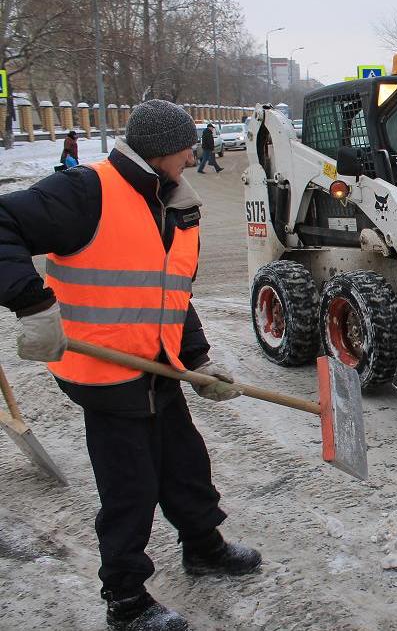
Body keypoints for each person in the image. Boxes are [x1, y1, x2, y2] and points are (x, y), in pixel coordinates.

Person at [0, 99, 261, 630]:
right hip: (106, 372)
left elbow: (171, 295)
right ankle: (126, 598)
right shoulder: (87, 190)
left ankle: (203, 547)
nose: (194, 156)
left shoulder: (172, 204)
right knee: (130, 486)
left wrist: (198, 360)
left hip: (156, 365)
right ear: (162, 149)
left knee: (185, 463)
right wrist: (31, 301)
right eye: (187, 147)